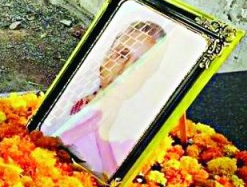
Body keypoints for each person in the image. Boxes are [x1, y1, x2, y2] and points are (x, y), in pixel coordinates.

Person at [47, 20, 167, 178]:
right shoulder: (71, 100)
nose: (125, 70)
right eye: (121, 55)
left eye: (139, 64)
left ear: (149, 75)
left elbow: (111, 182)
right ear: (106, 57)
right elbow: (45, 141)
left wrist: (102, 131)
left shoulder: (135, 133)